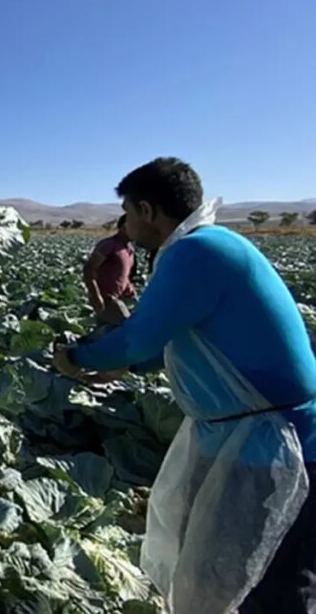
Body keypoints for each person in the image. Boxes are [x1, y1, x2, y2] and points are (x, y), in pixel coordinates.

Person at [53, 158, 316, 613]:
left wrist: (75, 359)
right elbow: (164, 348)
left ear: (147, 210)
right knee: (230, 566)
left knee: (277, 582)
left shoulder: (197, 252)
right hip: (241, 437)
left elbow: (138, 339)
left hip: (280, 443)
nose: (128, 228)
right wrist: (124, 368)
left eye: (130, 215)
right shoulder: (201, 248)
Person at [84, 214, 137, 326]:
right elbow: (89, 269)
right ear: (124, 227)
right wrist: (96, 296)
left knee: (107, 332)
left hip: (120, 298)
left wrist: (129, 288)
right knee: (125, 328)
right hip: (106, 299)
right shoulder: (108, 245)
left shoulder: (129, 249)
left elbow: (123, 273)